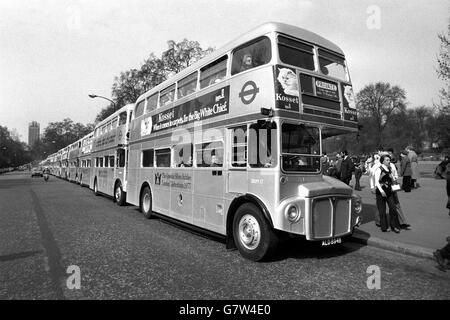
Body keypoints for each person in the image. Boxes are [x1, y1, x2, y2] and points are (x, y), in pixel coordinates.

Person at [374, 154, 401, 233]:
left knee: (393, 208)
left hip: (389, 191)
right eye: (387, 160)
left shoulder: (390, 169)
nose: (389, 161)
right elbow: (377, 182)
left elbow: (393, 178)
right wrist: (381, 191)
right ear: (383, 161)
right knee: (382, 210)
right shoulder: (379, 169)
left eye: (389, 160)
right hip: (380, 192)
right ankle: (384, 227)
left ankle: (394, 226)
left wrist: (394, 178)